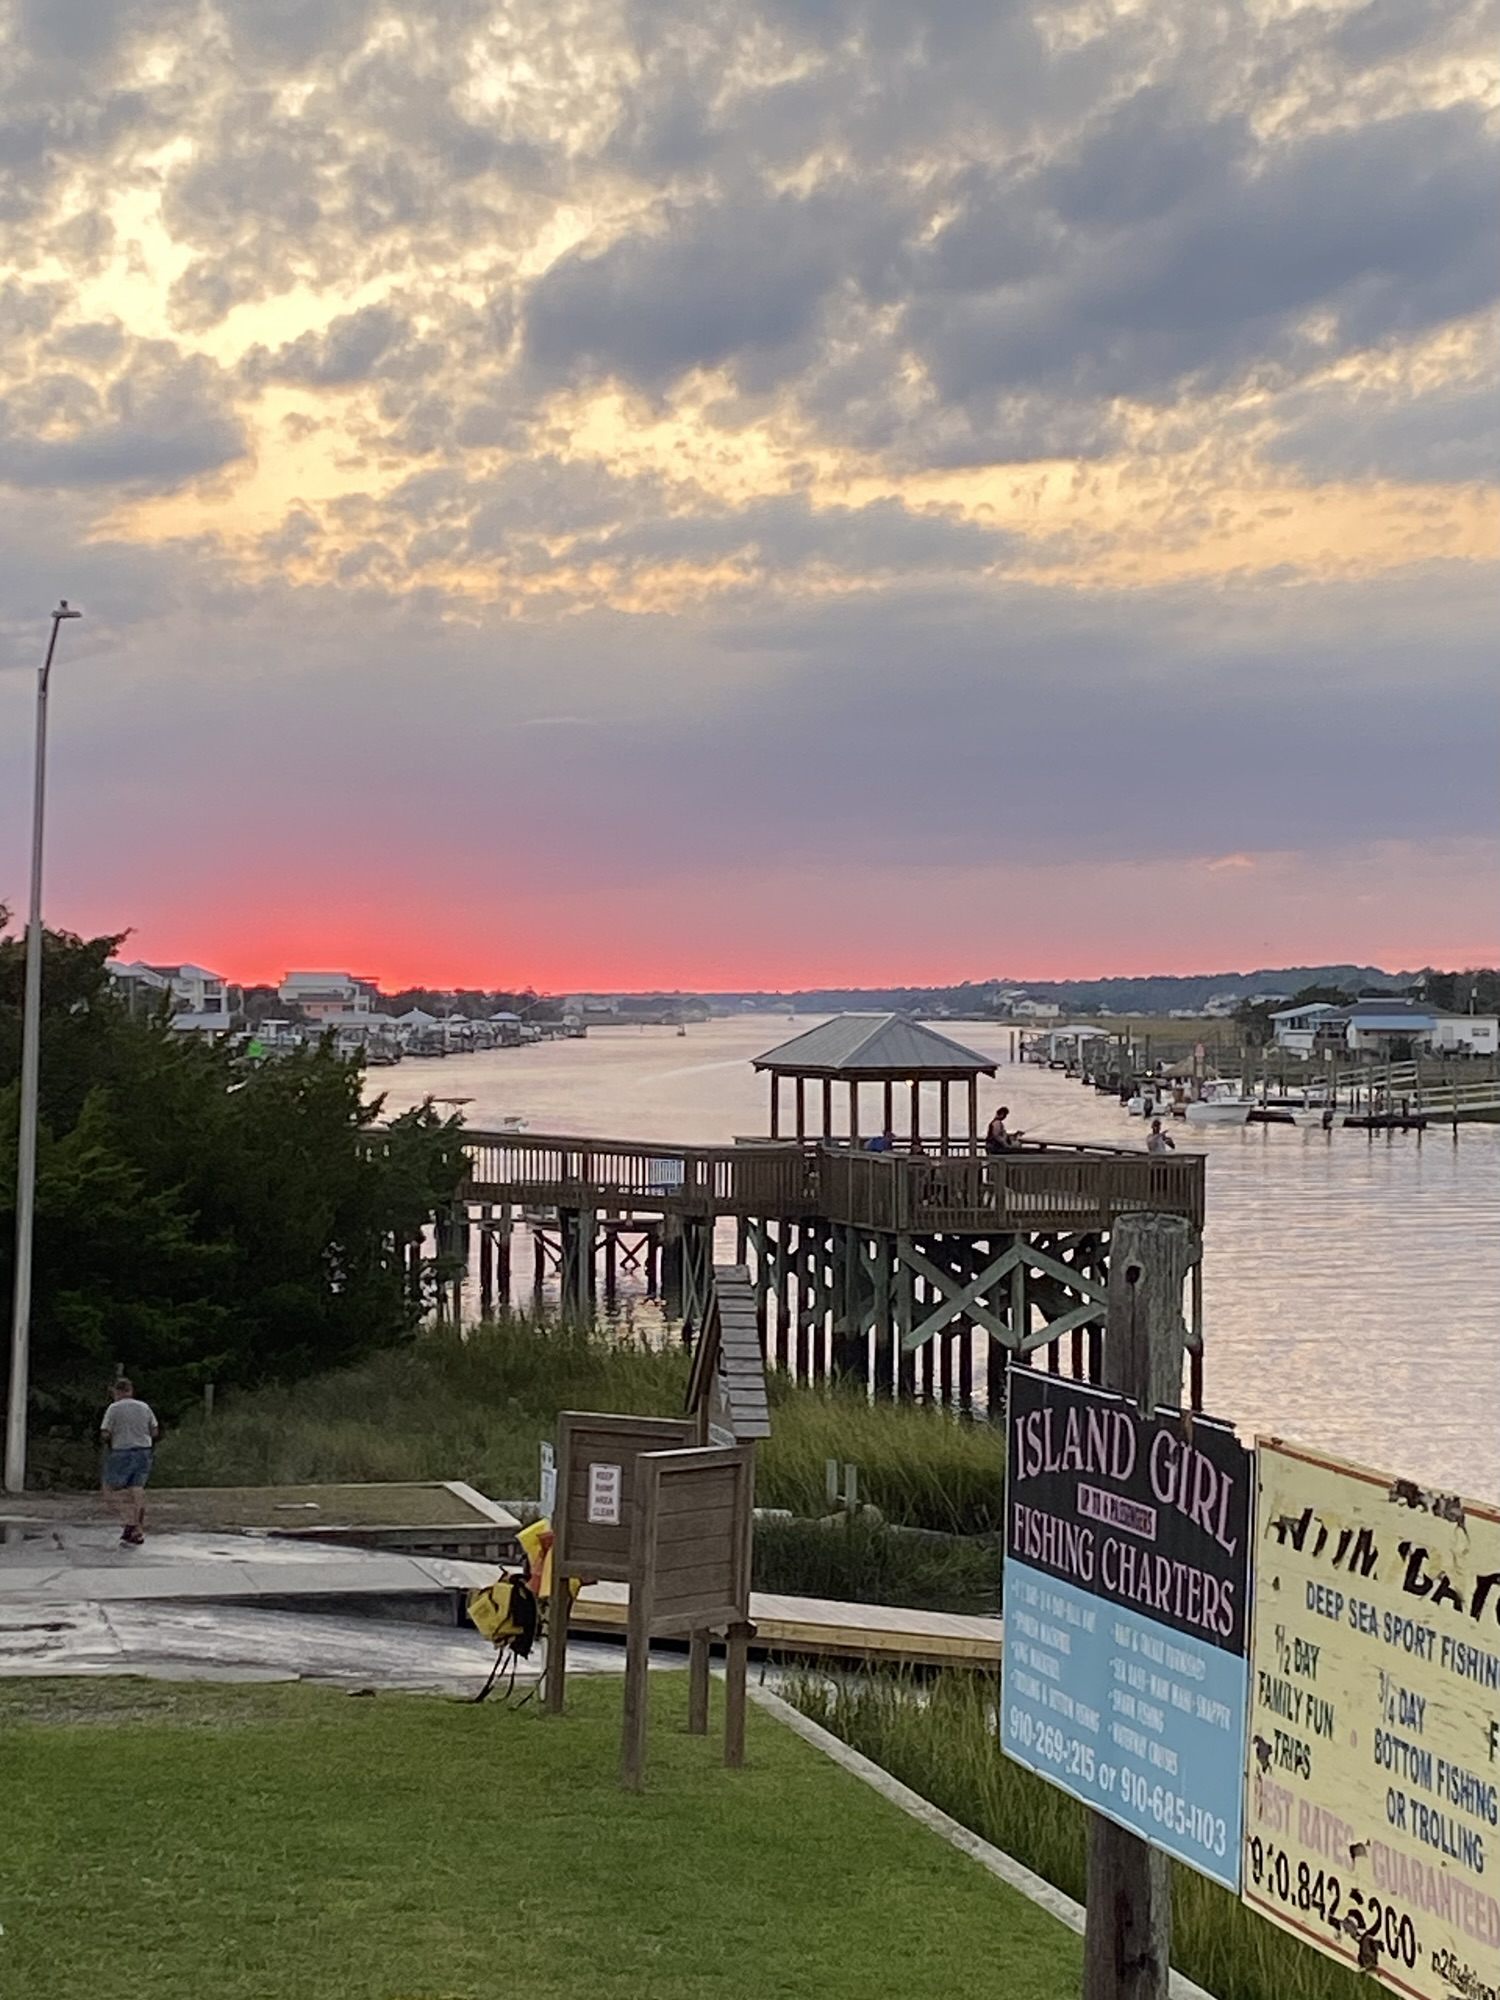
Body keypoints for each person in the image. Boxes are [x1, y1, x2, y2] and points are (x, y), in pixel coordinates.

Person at [100, 1377, 159, 1546]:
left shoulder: (113, 1408)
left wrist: (114, 1436)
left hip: (121, 1451)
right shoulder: (144, 1407)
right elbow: (154, 1430)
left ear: (117, 1392)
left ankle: (130, 1522)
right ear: (130, 1391)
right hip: (143, 1451)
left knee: (109, 1490)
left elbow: (105, 1432)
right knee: (137, 1488)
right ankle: (138, 1528)